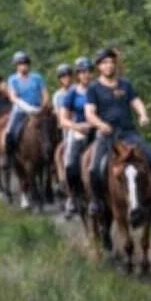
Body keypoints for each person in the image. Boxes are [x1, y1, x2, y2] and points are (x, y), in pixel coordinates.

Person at [84, 47, 151, 214]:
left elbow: (136, 101)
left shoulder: (125, 84)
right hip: (107, 135)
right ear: (99, 66)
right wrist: (101, 125)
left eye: (111, 62)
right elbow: (89, 113)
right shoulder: (93, 88)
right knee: (94, 168)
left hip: (128, 133)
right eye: (105, 63)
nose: (109, 66)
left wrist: (143, 114)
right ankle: (96, 201)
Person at [57, 59, 93, 216]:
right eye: (82, 72)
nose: (86, 75)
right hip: (79, 129)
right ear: (78, 75)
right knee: (70, 164)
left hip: (98, 129)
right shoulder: (72, 93)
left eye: (88, 71)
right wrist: (76, 126)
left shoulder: (98, 89)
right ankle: (73, 196)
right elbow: (63, 118)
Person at [4, 50, 48, 163]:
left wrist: (43, 105)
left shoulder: (37, 77)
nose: (23, 66)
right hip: (20, 110)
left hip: (38, 109)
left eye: (25, 64)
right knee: (10, 131)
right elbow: (13, 97)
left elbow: (45, 94)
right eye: (20, 64)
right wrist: (27, 108)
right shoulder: (12, 79)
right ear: (16, 66)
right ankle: (9, 156)